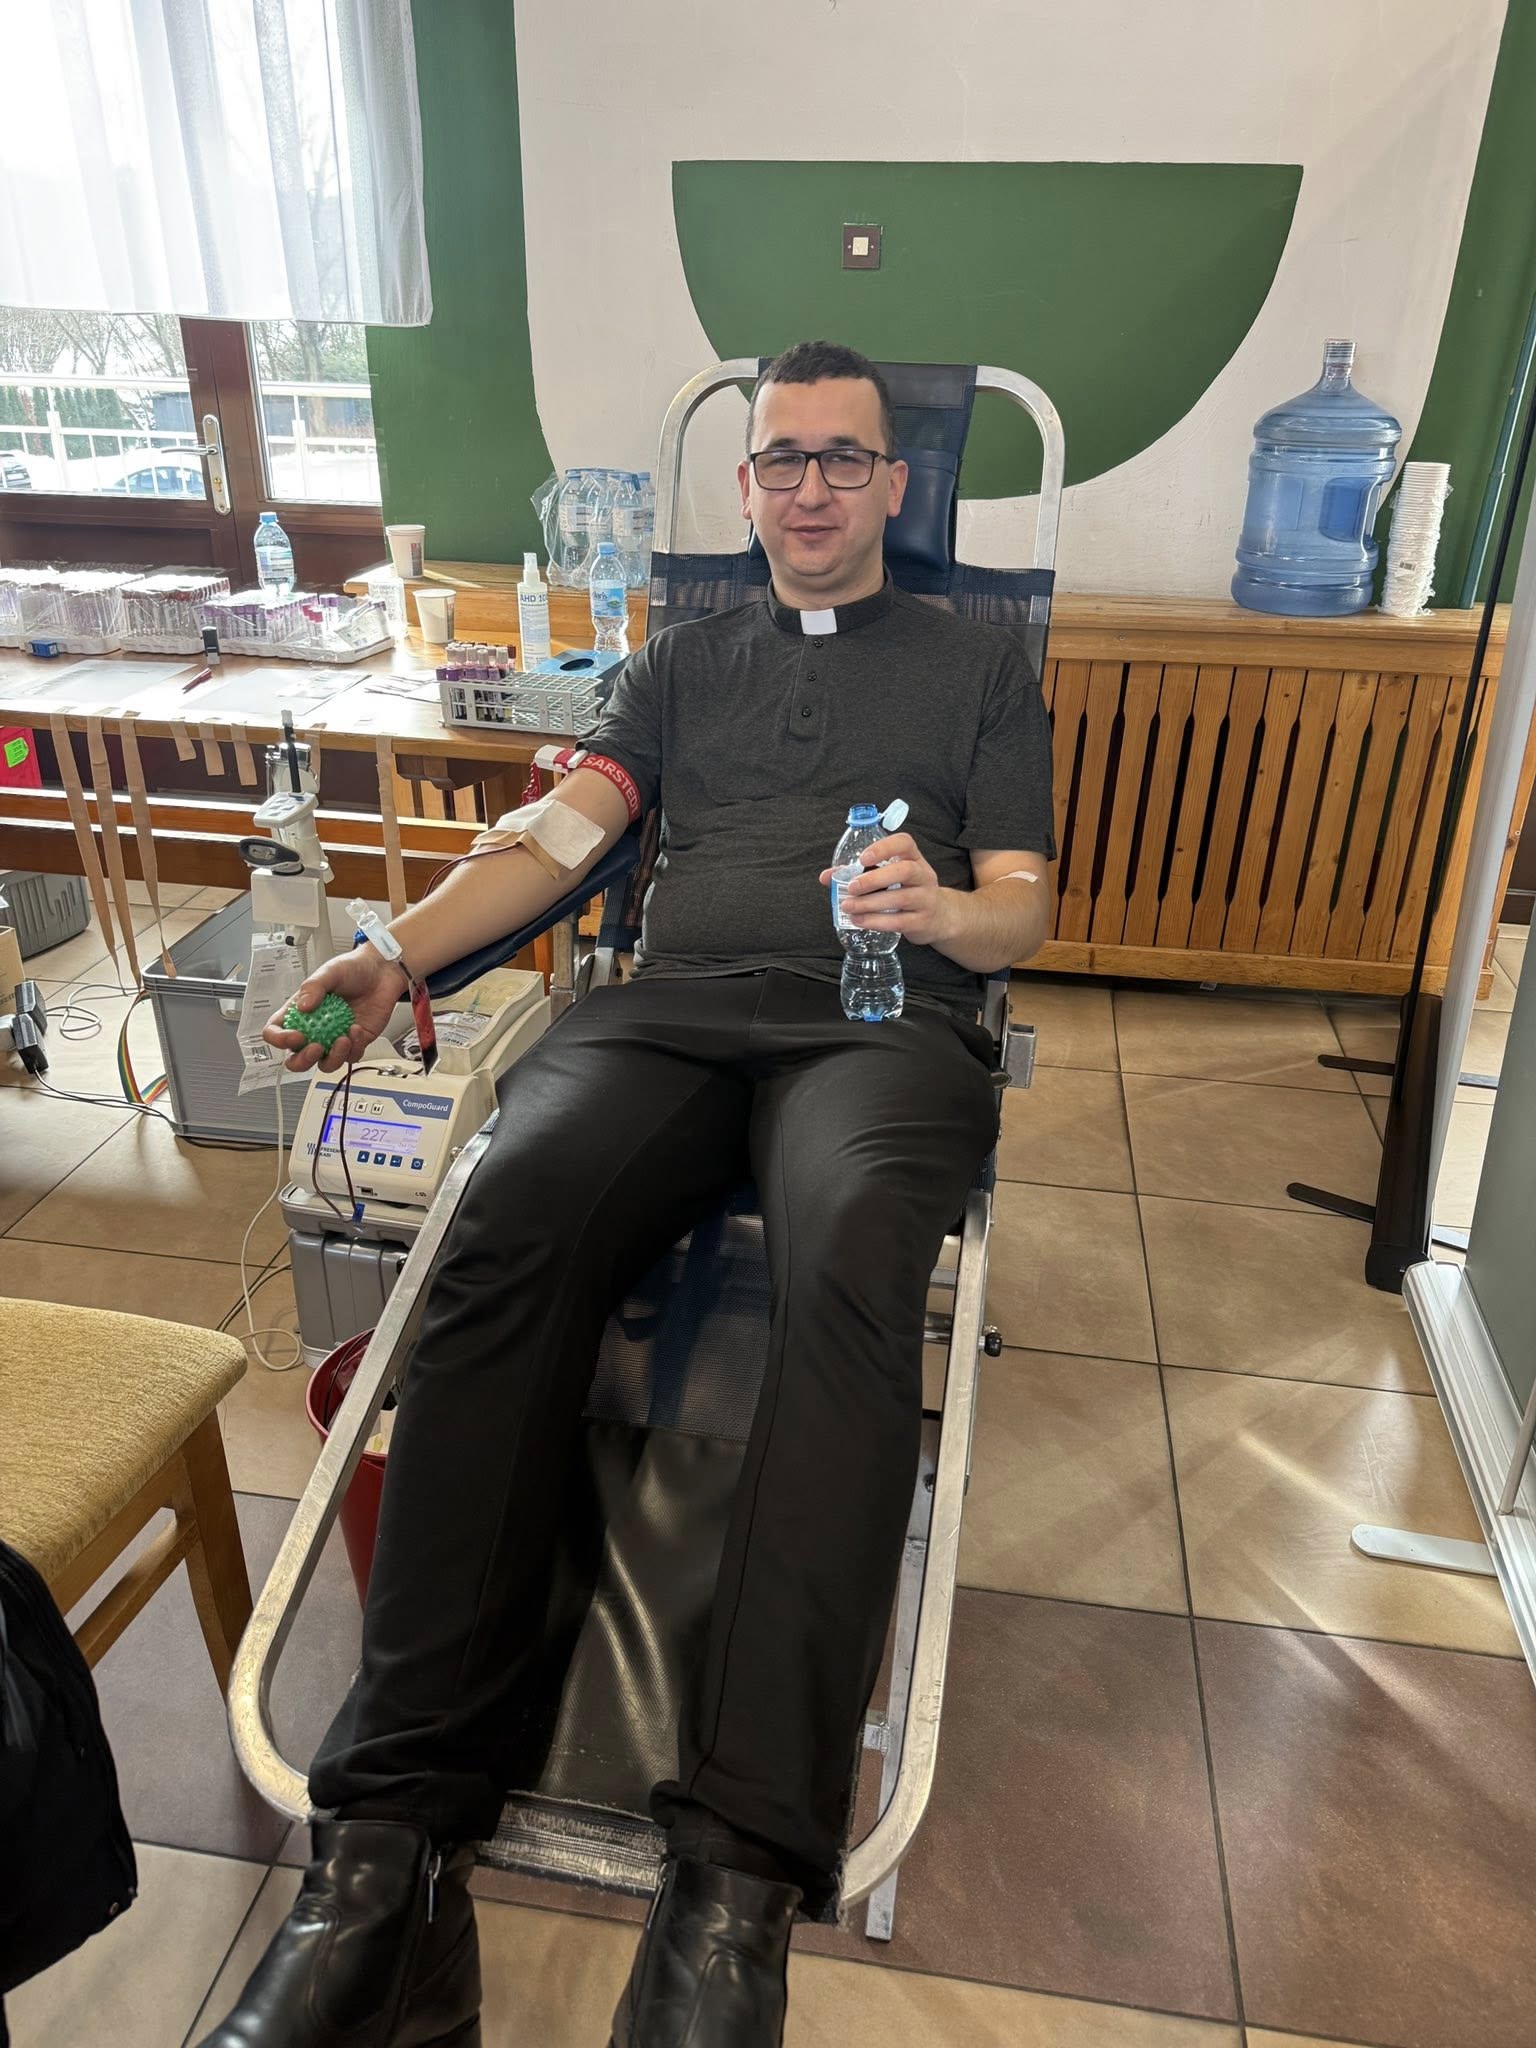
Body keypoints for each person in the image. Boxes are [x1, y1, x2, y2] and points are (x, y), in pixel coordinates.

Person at [198, 340, 1055, 2048]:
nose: (811, 486)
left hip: (883, 1027)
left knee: (850, 1262)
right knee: (505, 1212)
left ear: (897, 486)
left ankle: (735, 1888)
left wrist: (948, 911)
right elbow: (558, 840)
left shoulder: (982, 668)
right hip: (670, 1015)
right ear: (744, 487)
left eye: (845, 458)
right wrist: (390, 952)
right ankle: (383, 1858)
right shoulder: (679, 662)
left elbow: (1026, 900)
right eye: (782, 458)